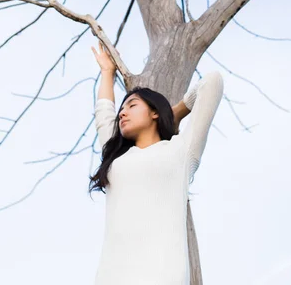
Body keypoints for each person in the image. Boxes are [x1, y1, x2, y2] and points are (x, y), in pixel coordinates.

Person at [89, 40, 224, 285]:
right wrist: (107, 72)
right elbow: (104, 113)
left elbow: (212, 82)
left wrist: (170, 114)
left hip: (162, 275)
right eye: (122, 109)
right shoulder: (116, 158)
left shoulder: (180, 152)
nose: (122, 113)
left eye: (132, 105)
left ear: (153, 112)